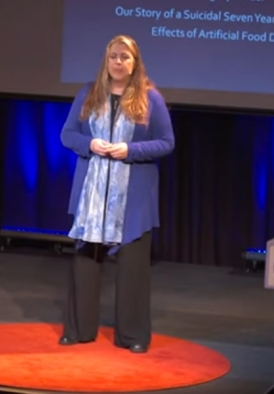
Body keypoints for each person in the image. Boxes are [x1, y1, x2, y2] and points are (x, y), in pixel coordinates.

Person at [58, 35, 175, 353]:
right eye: (113, 56)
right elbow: (67, 134)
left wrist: (130, 150)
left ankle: (133, 336)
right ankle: (78, 330)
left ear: (135, 62)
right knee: (84, 263)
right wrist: (89, 144)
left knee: (133, 270)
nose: (118, 62)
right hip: (92, 195)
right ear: (106, 60)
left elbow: (166, 142)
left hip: (132, 197)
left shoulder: (150, 98)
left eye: (125, 57)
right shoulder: (89, 93)